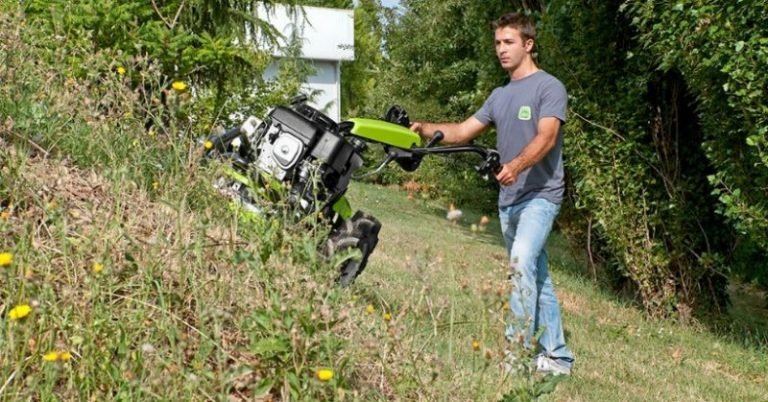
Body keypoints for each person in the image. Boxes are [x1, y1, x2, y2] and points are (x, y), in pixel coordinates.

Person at [409, 12, 574, 376]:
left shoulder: (550, 87)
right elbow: (462, 131)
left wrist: (514, 166)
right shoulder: (499, 95)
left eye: (508, 42)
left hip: (540, 194)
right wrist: (424, 129)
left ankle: (516, 355)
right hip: (508, 201)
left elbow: (546, 137)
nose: (501, 49)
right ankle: (558, 357)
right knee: (535, 272)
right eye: (498, 43)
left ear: (528, 44)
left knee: (519, 264)